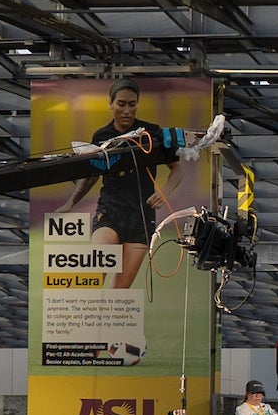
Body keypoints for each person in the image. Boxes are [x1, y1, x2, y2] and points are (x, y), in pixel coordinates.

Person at [53, 79, 189, 289]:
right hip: (110, 210)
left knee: (119, 291)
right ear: (110, 103)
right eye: (121, 104)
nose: (126, 110)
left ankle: (106, 321)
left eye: (132, 104)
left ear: (137, 104)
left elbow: (177, 168)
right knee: (95, 279)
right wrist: (71, 203)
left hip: (141, 216)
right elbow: (91, 175)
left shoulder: (151, 133)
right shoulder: (101, 136)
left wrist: (165, 192)